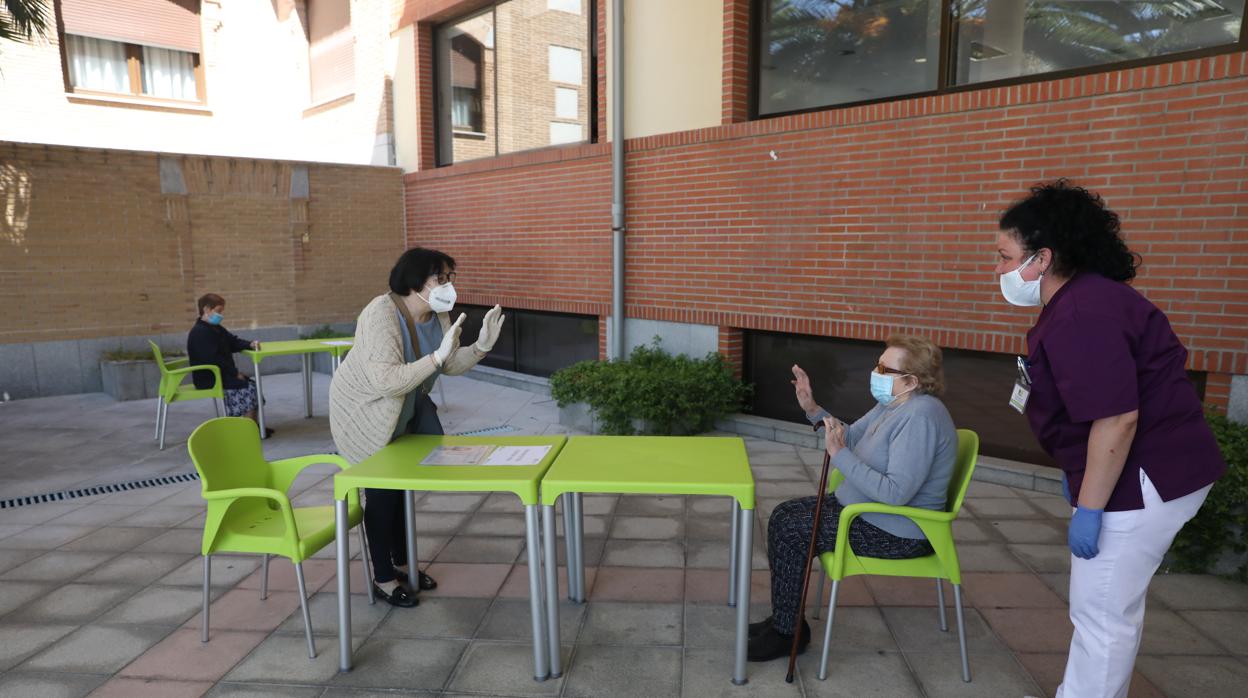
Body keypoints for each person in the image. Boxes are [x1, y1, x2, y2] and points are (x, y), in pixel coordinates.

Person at [993, 180, 1225, 698]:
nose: (1000, 270)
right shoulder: (1087, 299)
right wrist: (1080, 480)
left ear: (1042, 257)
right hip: (1142, 472)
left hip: (1142, 478)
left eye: (1006, 257)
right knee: (1112, 611)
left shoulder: (1083, 312)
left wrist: (1092, 505)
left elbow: (1117, 419)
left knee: (1100, 616)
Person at [747, 334, 958, 662]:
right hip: (865, 512)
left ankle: (787, 634)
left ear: (912, 380)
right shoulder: (893, 404)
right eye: (878, 364)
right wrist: (813, 409)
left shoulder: (921, 417)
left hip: (898, 530)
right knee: (782, 515)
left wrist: (840, 454)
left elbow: (895, 493)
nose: (876, 373)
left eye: (885, 369)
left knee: (791, 530)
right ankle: (785, 620)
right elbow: (849, 435)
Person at [329, 247, 505, 607]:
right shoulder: (381, 313)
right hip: (366, 414)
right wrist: (437, 357)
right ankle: (383, 578)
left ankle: (405, 565)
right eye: (440, 278)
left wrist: (481, 346)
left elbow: (447, 364)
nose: (448, 285)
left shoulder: (438, 313)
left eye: (449, 277)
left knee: (403, 491)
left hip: (404, 410)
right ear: (414, 280)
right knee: (381, 497)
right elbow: (386, 381)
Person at [186, 293, 271, 437]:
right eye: (218, 311)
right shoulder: (200, 332)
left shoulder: (216, 328)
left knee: (251, 384)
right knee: (245, 388)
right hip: (210, 376)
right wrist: (233, 373)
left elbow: (232, 341)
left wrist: (249, 344)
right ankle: (248, 432)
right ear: (207, 309)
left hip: (221, 373)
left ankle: (254, 426)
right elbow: (212, 359)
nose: (221, 315)